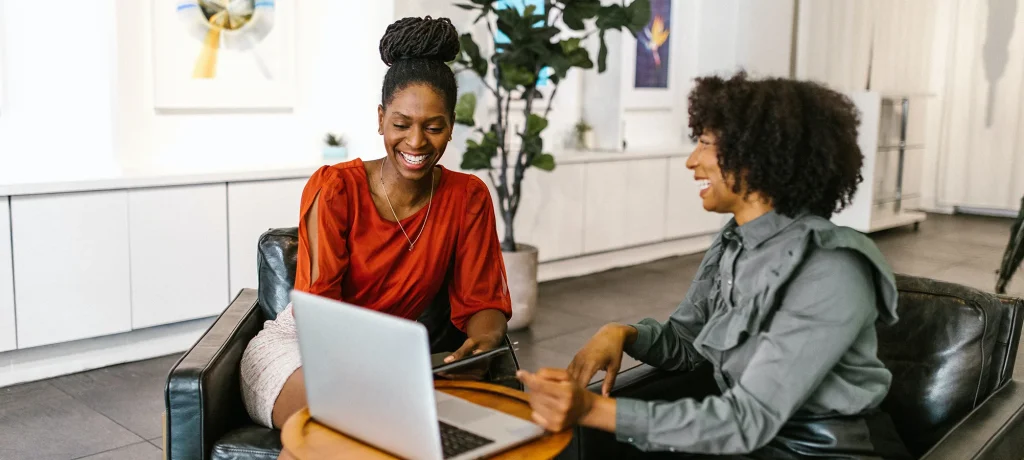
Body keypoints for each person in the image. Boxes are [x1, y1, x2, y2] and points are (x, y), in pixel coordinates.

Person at [516, 72, 913, 459]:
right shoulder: (734, 242)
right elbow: (690, 344)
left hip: (827, 450)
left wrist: (590, 410)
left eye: (705, 142)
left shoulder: (832, 267)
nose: (692, 161)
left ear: (756, 154)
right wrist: (623, 334)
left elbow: (747, 419)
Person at [240, 16, 513, 430]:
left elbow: (484, 301)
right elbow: (320, 316)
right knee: (338, 429)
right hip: (301, 352)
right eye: (401, 125)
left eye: (433, 127)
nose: (416, 142)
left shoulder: (467, 197)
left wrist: (485, 341)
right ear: (381, 118)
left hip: (384, 366)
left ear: (451, 127)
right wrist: (376, 377)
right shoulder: (334, 189)